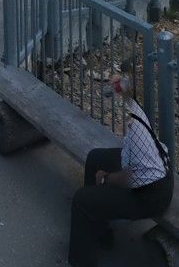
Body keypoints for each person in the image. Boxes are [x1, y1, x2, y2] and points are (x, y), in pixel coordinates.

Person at [66, 74, 173, 267]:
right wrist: (121, 85)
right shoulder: (135, 112)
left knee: (82, 200)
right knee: (95, 158)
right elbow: (128, 95)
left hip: (151, 196)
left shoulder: (135, 133)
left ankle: (82, 261)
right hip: (151, 171)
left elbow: (129, 178)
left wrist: (107, 179)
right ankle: (98, 232)